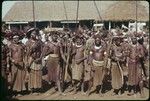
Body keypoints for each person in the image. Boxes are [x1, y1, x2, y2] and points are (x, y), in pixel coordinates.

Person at [25, 29, 43, 94]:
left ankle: (38, 88)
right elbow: (27, 53)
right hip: (31, 59)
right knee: (31, 73)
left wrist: (40, 58)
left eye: (35, 33)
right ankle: (31, 88)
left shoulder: (39, 42)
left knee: (38, 73)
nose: (34, 34)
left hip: (38, 59)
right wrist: (31, 49)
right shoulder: (28, 42)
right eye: (33, 33)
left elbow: (42, 51)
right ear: (30, 34)